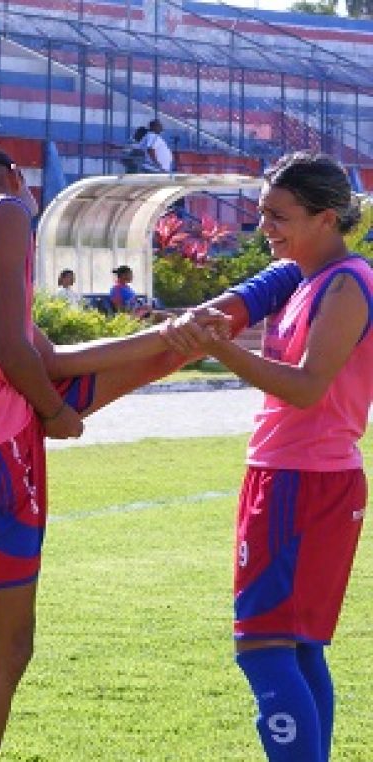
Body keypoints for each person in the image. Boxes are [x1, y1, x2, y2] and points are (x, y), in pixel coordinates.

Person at [0, 137, 249, 762]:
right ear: (9, 176)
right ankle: (245, 305)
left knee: (171, 350)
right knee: (4, 649)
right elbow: (17, 355)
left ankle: (224, 315)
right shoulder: (3, 214)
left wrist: (162, 338)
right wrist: (58, 414)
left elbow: (51, 359)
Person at [165, 152, 371, 762]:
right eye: (261, 214)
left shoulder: (347, 283)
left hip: (304, 482)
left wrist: (218, 348)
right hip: (288, 475)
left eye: (278, 216)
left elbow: (307, 387)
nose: (265, 229)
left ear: (325, 218)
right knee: (299, 648)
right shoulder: (303, 279)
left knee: (259, 646)